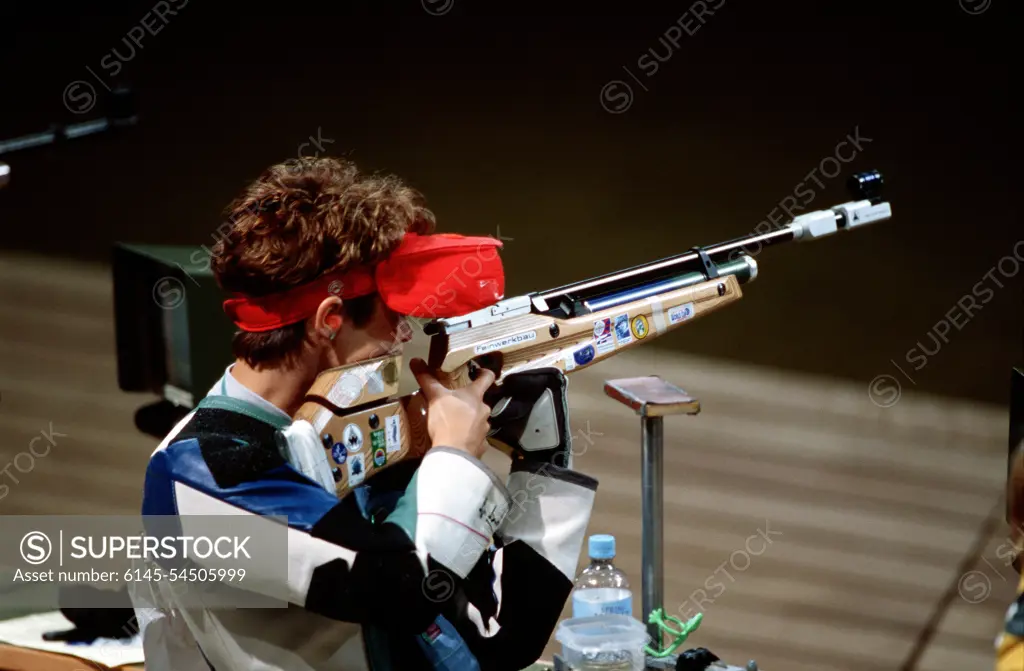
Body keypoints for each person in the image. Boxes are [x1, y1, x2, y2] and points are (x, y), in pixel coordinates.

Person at [130, 157, 599, 670]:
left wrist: (541, 459)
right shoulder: (200, 478)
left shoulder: (356, 435)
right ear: (329, 320)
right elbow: (401, 588)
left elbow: (501, 641)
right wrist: (451, 457)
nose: (403, 335)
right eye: (392, 313)